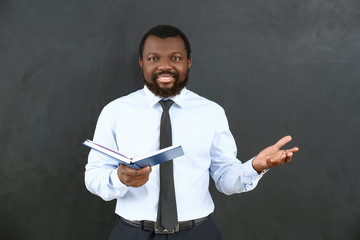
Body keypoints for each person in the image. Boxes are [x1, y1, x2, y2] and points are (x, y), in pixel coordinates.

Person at [85, 24, 299, 240]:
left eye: (175, 58)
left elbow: (225, 179)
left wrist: (255, 167)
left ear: (188, 62)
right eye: (153, 58)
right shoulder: (115, 112)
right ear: (141, 62)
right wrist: (119, 178)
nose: (165, 66)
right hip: (132, 233)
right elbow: (94, 176)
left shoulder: (211, 112)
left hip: (198, 233)